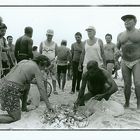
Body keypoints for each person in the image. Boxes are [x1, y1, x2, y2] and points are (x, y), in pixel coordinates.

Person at [0, 55, 53, 123]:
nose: (43, 69)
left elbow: (17, 76)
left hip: (3, 83)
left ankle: (24, 107)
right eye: (43, 67)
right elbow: (41, 88)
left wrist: (34, 81)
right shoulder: (36, 68)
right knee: (15, 117)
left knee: (27, 85)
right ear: (41, 64)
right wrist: (48, 105)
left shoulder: (24, 61)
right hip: (11, 88)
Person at [117, 14, 140, 109]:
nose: (126, 21)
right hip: (124, 61)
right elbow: (116, 47)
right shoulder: (121, 35)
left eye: (129, 19)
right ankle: (127, 103)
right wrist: (117, 52)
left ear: (135, 21)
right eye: (125, 20)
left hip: (137, 60)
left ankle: (139, 103)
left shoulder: (139, 33)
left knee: (138, 83)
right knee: (127, 84)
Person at [39, 29, 58, 95]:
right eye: (48, 35)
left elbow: (56, 53)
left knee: (54, 77)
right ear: (46, 35)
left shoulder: (55, 44)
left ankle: (55, 90)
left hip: (52, 62)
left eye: (51, 35)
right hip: (44, 63)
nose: (49, 36)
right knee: (44, 77)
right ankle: (45, 90)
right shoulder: (42, 43)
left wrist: (51, 59)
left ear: (52, 36)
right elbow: (40, 52)